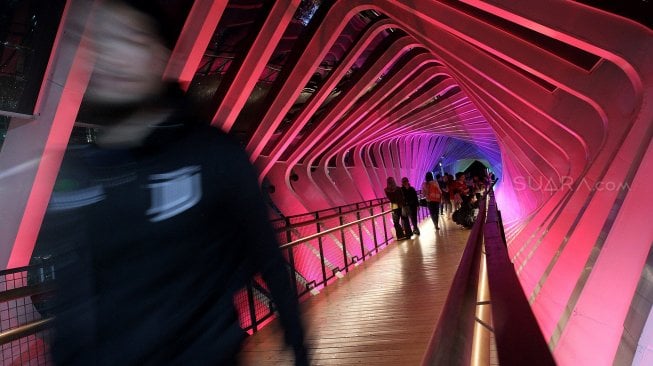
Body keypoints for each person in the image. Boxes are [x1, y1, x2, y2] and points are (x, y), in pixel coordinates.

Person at [30, 1, 308, 364]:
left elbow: (265, 253)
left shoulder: (212, 153)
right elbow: (71, 297)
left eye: (127, 38)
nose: (110, 56)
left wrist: (299, 346)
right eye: (95, 43)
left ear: (162, 56)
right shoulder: (78, 173)